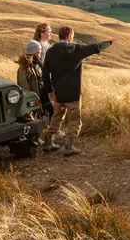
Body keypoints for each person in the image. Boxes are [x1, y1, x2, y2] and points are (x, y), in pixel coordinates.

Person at [41, 25, 114, 156]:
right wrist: (110, 42)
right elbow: (96, 48)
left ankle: (48, 143)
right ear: (69, 36)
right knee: (75, 120)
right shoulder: (77, 49)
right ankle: (69, 147)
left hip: (58, 92)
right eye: (72, 35)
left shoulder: (51, 51)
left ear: (60, 36)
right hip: (73, 93)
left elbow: (45, 72)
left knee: (57, 117)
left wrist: (49, 90)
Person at [17, 40, 47, 120]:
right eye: (39, 49)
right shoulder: (24, 68)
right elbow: (25, 87)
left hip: (42, 94)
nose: (40, 51)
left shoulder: (38, 63)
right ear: (34, 52)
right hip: (35, 96)